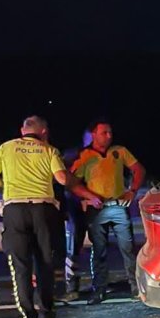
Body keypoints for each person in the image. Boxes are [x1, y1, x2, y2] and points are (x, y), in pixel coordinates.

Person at [0, 115, 101, 318]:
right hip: (44, 210)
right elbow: (62, 179)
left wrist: (8, 184)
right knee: (46, 264)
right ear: (44, 132)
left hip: (15, 210)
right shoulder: (49, 150)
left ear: (22, 130)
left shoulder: (6, 147)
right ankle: (46, 315)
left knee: (21, 267)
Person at [72, 121, 146, 303]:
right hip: (96, 210)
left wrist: (133, 190)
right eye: (104, 132)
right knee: (99, 250)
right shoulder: (85, 155)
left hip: (118, 206)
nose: (109, 136)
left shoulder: (119, 151)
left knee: (128, 249)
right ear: (93, 135)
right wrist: (89, 196)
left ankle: (136, 287)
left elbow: (138, 169)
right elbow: (72, 182)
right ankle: (99, 289)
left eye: (110, 132)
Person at [61, 128, 93, 300]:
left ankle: (99, 283)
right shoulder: (73, 155)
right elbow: (64, 180)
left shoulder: (105, 155)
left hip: (93, 205)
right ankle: (71, 286)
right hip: (74, 206)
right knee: (73, 247)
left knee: (98, 245)